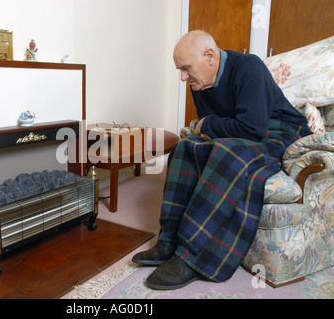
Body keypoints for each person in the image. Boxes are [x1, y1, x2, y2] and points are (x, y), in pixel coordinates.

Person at [132, 30, 312, 290]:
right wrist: (207, 126)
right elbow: (209, 131)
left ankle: (193, 255)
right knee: (185, 147)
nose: (183, 77)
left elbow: (251, 128)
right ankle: (168, 240)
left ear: (209, 56)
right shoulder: (199, 82)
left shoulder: (249, 67)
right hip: (246, 132)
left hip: (279, 130)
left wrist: (207, 124)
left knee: (227, 153)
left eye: (186, 68)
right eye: (180, 70)